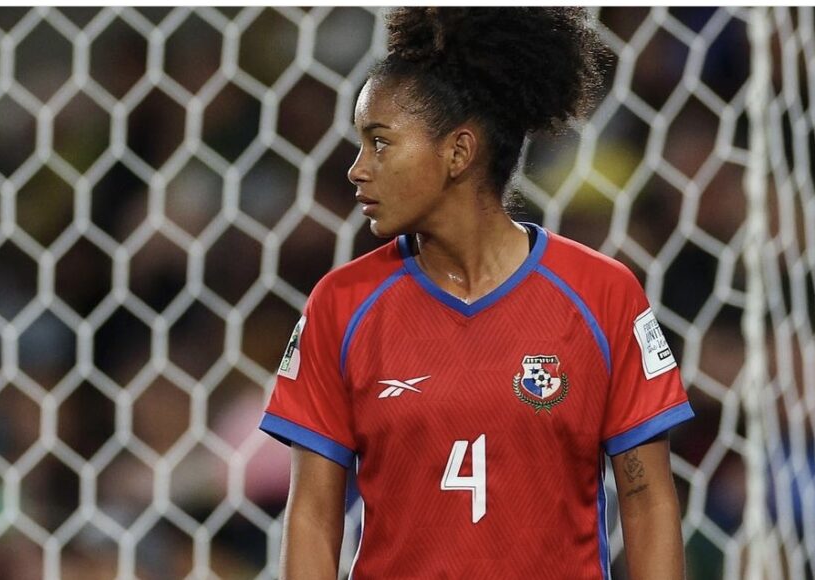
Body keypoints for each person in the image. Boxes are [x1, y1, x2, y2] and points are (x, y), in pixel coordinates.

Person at [259, 7, 693, 579]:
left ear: (458, 152)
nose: (357, 169)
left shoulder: (602, 295)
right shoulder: (340, 306)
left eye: (380, 142)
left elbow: (646, 497)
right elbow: (313, 515)